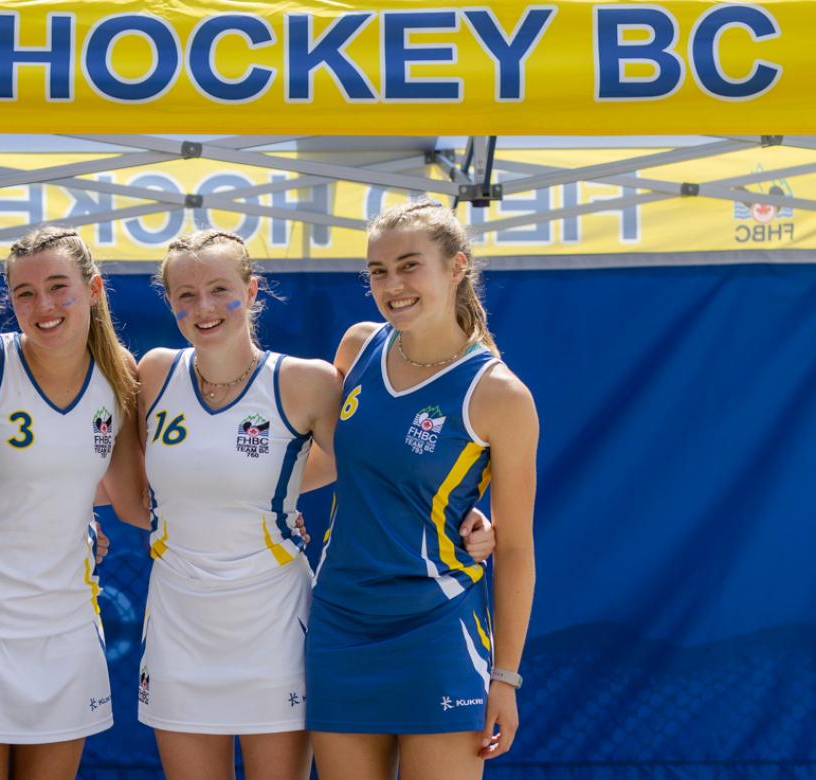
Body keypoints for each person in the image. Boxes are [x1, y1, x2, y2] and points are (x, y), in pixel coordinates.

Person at [136, 230, 497, 780]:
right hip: (177, 621)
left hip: (275, 623)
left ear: (252, 290)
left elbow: (376, 461)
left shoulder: (306, 381)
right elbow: (120, 473)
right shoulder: (154, 372)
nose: (202, 308)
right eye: (184, 295)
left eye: (218, 289)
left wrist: (465, 511)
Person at [306, 200, 538, 780]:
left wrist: (505, 678)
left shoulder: (500, 395)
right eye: (378, 271)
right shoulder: (358, 347)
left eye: (409, 266)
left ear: (457, 266)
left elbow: (514, 550)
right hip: (339, 622)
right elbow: (328, 465)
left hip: (436, 628)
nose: (392, 285)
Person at [0, 227, 148, 780]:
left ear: (94, 288)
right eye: (25, 293)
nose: (43, 306)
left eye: (59, 286)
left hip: (68, 625)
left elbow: (132, 502)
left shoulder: (121, 371)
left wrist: (267, 498)